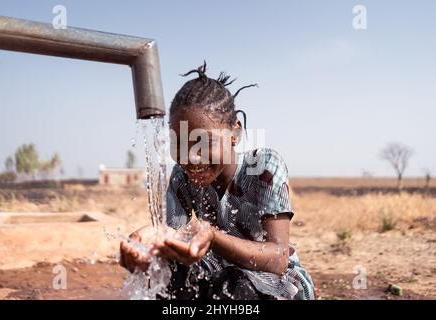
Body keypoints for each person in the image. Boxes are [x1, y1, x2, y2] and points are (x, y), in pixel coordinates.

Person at [120, 62, 314, 300]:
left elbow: (278, 259)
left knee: (237, 288)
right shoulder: (181, 177)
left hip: (277, 284)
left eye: (204, 141)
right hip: (220, 276)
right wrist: (150, 246)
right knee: (165, 274)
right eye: (178, 144)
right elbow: (175, 238)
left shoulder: (263, 167)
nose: (190, 157)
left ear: (235, 133)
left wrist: (212, 236)